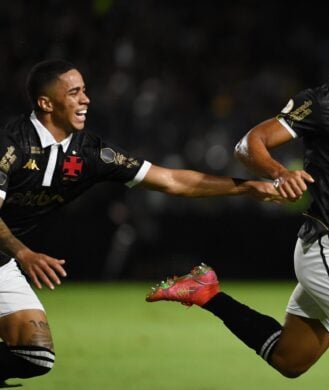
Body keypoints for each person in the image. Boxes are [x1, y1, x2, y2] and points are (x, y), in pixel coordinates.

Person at [146, 17, 329, 390]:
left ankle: (206, 292)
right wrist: (279, 173)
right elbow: (249, 143)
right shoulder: (320, 102)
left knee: (290, 359)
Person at [0, 59, 282, 387]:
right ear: (46, 103)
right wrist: (23, 253)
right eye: (74, 92)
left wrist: (244, 187)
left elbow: (174, 181)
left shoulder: (90, 153)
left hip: (3, 257)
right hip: (12, 252)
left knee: (34, 355)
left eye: (85, 90)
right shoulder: (10, 144)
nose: (86, 99)